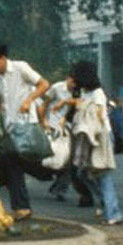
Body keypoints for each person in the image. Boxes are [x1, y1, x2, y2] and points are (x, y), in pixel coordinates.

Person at [0, 41, 51, 221]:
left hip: (26, 125)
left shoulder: (20, 67)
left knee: (19, 161)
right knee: (12, 162)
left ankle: (44, 175)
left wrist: (28, 100)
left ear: (2, 58)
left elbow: (44, 84)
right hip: (11, 127)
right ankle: (22, 206)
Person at [69, 60, 123, 225]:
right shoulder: (83, 92)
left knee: (103, 174)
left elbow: (100, 114)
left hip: (101, 137)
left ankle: (113, 212)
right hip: (89, 137)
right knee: (84, 173)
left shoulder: (97, 93)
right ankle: (106, 204)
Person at [38, 70, 93, 205]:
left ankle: (59, 188)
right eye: (72, 81)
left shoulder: (77, 90)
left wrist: (66, 103)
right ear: (68, 78)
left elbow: (80, 103)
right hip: (53, 127)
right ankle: (54, 181)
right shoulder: (56, 88)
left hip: (69, 128)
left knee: (69, 160)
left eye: (76, 83)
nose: (74, 85)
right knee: (55, 158)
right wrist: (43, 121)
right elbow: (43, 104)